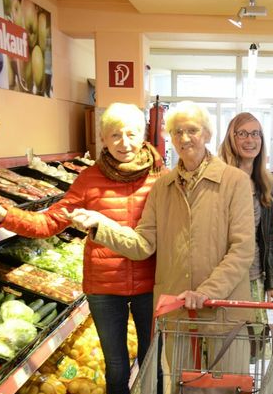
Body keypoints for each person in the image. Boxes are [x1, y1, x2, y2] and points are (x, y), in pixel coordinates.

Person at [0, 102, 164, 394]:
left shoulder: (161, 178)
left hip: (151, 284)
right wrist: (3, 213)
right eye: (114, 135)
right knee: (116, 368)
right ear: (102, 140)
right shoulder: (89, 179)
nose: (123, 143)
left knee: (154, 364)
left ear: (143, 135)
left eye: (131, 133)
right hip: (104, 287)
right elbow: (49, 222)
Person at [68, 100, 255, 371]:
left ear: (207, 134)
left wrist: (206, 292)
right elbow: (143, 244)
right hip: (177, 309)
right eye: (177, 132)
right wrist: (102, 226)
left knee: (227, 390)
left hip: (224, 308)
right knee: (182, 391)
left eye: (192, 130)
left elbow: (242, 250)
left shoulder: (234, 182)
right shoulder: (162, 187)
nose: (185, 138)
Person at [218, 112, 273, 355]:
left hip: (254, 276)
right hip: (225, 277)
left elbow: (268, 238)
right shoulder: (220, 178)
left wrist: (272, 282)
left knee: (252, 346)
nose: (249, 139)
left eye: (255, 133)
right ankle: (224, 393)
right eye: (242, 133)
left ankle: (245, 393)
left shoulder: (263, 182)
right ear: (231, 138)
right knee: (225, 346)